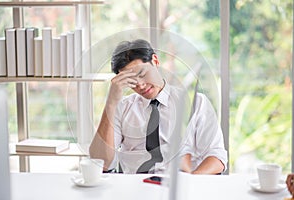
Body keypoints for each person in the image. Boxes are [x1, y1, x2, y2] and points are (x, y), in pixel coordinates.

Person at [89, 39, 227, 174]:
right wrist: (111, 103)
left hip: (180, 186)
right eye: (131, 81)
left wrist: (190, 183)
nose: (140, 85)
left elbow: (217, 158)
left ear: (155, 61)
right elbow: (102, 163)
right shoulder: (121, 108)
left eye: (142, 74)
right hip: (135, 189)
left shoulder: (196, 103)